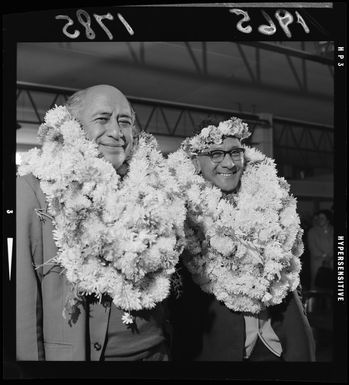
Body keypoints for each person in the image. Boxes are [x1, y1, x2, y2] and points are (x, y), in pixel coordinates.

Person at [16, 85, 172, 361]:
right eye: (102, 119)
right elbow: (24, 302)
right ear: (74, 126)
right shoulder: (36, 187)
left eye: (124, 121)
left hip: (156, 354)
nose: (116, 132)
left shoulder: (151, 187)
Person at [169, 118, 315, 361]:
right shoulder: (179, 208)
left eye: (235, 152)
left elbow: (290, 273)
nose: (228, 163)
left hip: (278, 342)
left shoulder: (271, 198)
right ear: (195, 161)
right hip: (217, 345)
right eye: (216, 154)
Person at [307, 209, 334, 290]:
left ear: (328, 219)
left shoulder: (334, 230)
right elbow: (312, 247)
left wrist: (331, 257)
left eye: (322, 218)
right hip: (318, 262)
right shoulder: (312, 231)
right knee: (317, 286)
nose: (319, 220)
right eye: (318, 218)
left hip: (333, 261)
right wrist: (325, 256)